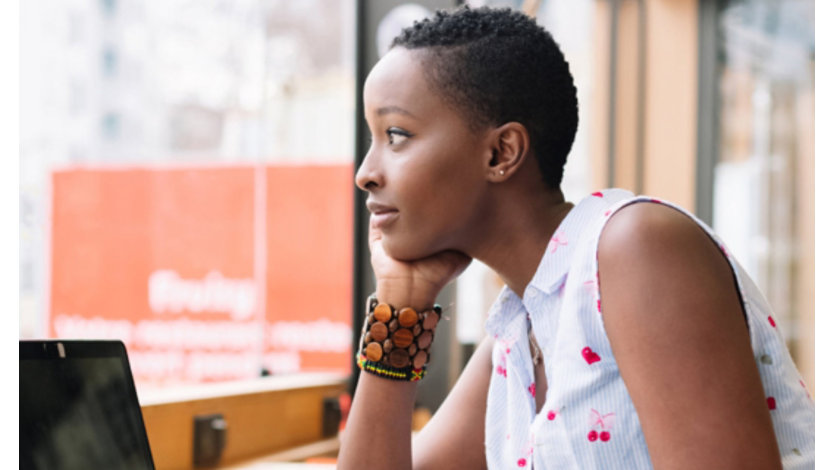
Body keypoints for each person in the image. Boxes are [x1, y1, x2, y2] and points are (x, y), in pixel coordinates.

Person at [338, 6, 814, 469]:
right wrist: (400, 311)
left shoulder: (637, 248)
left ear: (501, 152)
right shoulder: (521, 330)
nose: (366, 173)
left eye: (396, 134)